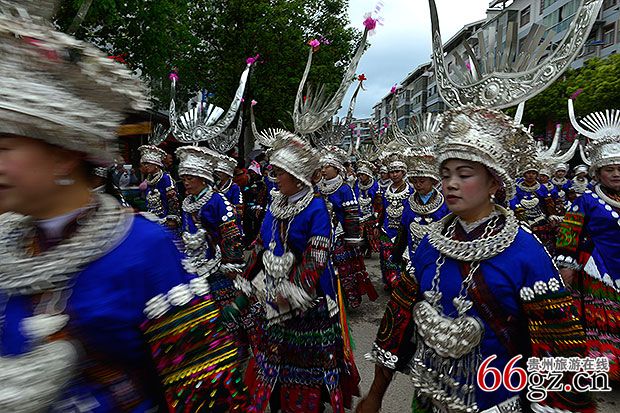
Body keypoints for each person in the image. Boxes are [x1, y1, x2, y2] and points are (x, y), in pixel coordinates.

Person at [0, 3, 247, 411]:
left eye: (5, 147)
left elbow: (208, 396)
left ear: (63, 155)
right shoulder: (9, 244)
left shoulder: (143, 247)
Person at [229, 132, 360, 412]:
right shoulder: (275, 205)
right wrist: (243, 294)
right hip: (273, 297)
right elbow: (261, 249)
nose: (275, 179)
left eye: (279, 173)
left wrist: (289, 295)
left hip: (308, 302)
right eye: (274, 173)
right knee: (272, 365)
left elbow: (315, 259)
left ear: (298, 176)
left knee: (305, 370)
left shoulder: (316, 208)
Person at [556, 101, 620, 381]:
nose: (616, 174)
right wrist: (567, 266)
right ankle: (606, 363)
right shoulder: (586, 200)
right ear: (597, 173)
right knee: (602, 317)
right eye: (610, 169)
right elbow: (569, 234)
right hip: (599, 268)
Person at [319, 146, 378, 309]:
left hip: (340, 236)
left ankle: (348, 300)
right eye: (322, 166)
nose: (323, 170)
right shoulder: (319, 188)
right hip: (322, 235)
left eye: (327, 166)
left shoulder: (345, 189)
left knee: (344, 269)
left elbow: (352, 215)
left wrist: (351, 240)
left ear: (337, 168)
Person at [377, 154, 413, 290]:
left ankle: (400, 284)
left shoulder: (410, 190)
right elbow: (383, 210)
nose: (394, 174)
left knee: (402, 258)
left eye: (397, 171)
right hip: (387, 229)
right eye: (391, 172)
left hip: (402, 231)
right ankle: (389, 282)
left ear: (403, 172)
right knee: (386, 257)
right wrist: (378, 225)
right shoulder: (387, 190)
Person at [138, 145, 181, 228]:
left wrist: (172, 218)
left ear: (156, 165)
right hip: (151, 216)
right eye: (144, 164)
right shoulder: (149, 179)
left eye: (148, 163)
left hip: (164, 218)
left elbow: (173, 199)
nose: (146, 166)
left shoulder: (165, 178)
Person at [353, 160, 381, 257]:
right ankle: (361, 249)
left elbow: (378, 201)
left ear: (368, 175)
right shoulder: (357, 184)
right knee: (360, 232)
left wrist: (376, 212)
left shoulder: (375, 185)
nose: (360, 177)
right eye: (359, 175)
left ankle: (369, 249)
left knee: (369, 233)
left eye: (362, 175)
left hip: (371, 212)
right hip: (359, 212)